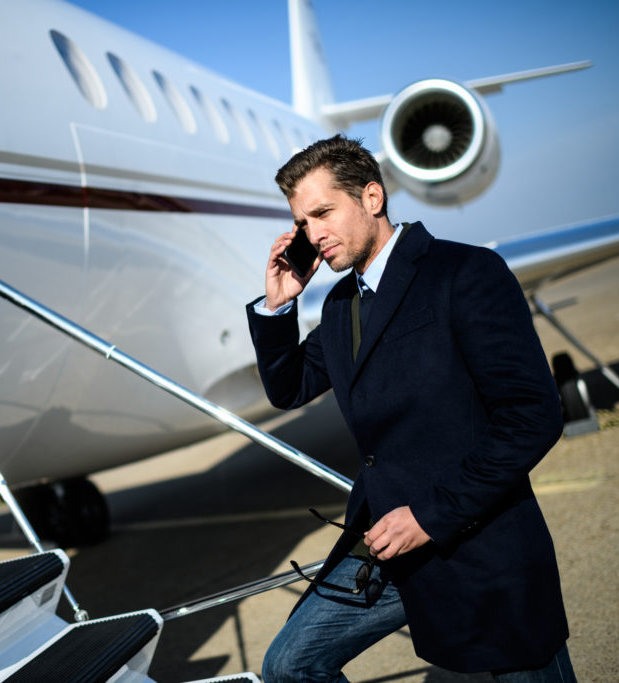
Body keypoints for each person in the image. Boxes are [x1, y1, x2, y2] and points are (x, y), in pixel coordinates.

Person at [246, 135, 575, 681]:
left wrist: (430, 514)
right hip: (384, 545)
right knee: (290, 664)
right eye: (303, 223)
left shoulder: (465, 273)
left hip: (475, 538)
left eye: (323, 213)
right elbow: (290, 389)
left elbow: (531, 416)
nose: (313, 234)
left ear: (371, 198)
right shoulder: (338, 305)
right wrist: (279, 306)